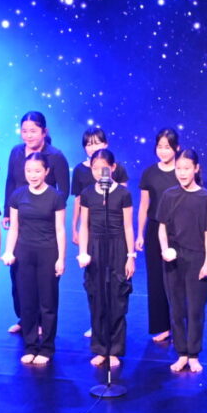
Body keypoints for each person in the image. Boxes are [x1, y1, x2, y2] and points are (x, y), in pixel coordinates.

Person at [2, 111, 69, 334]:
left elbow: (64, 189)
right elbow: (10, 182)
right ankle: (25, 318)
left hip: (44, 220)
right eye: (24, 131)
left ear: (44, 132)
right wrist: (7, 212)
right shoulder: (16, 152)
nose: (28, 135)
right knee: (18, 274)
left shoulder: (55, 156)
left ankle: (42, 321)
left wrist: (49, 209)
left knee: (45, 279)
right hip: (20, 217)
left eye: (33, 131)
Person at [156, 148, 207, 374]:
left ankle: (193, 354)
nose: (182, 173)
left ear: (196, 169)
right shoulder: (169, 196)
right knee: (176, 309)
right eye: (179, 169)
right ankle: (181, 353)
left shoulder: (206, 198)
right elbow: (162, 227)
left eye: (186, 168)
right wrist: (165, 249)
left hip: (197, 258)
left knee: (195, 309)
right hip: (174, 258)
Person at [3, 153, 67, 365]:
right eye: (29, 170)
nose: (33, 175)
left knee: (47, 303)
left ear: (46, 171)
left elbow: (60, 230)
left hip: (48, 252)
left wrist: (61, 258)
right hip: (24, 253)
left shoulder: (55, 196)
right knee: (27, 302)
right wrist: (9, 251)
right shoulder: (17, 195)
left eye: (37, 171)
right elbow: (14, 228)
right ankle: (30, 346)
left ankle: (47, 348)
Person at [78, 149, 136, 367]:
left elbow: (128, 226)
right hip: (95, 248)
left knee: (117, 299)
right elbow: (84, 226)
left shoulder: (123, 194)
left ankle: (115, 349)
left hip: (117, 247)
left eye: (103, 168)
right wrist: (83, 251)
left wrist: (130, 256)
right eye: (94, 168)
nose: (98, 172)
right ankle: (101, 348)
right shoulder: (87, 193)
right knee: (97, 298)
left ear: (112, 168)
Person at [136, 128, 181, 343]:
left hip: (179, 230)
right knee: (156, 279)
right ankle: (162, 326)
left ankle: (181, 325)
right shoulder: (149, 173)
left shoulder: (182, 171)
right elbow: (144, 206)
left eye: (168, 147)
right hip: (154, 229)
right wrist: (139, 234)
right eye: (160, 147)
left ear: (176, 148)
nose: (163, 151)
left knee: (179, 279)